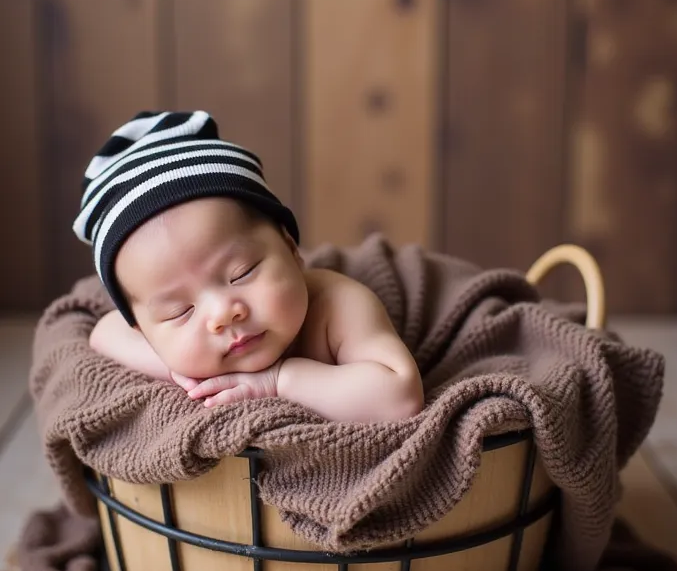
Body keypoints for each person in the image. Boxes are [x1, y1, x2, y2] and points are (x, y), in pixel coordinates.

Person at [74, 110, 423, 424]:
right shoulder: (151, 336)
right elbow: (103, 333)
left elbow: (400, 396)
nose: (222, 313)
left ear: (290, 247)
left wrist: (279, 380)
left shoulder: (336, 304)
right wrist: (174, 365)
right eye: (179, 311)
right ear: (143, 330)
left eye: (240, 273)